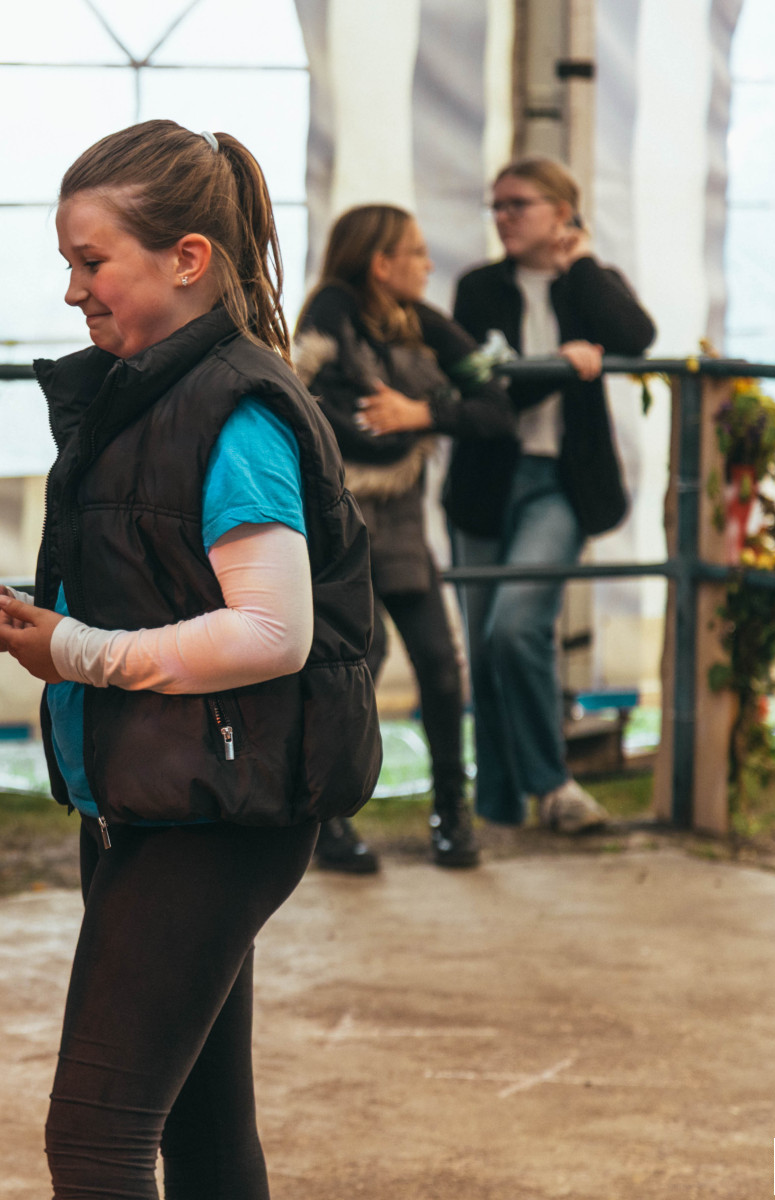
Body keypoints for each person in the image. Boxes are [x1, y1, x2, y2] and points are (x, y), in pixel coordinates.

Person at [0, 120, 379, 1199]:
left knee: (95, 1139)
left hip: (215, 814)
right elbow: (155, 592)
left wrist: (75, 649)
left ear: (188, 259)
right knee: (204, 1133)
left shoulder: (237, 411)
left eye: (92, 263)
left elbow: (272, 633)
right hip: (154, 797)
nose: (72, 292)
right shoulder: (139, 395)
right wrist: (35, 629)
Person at [293, 204, 516, 871]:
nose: (427, 263)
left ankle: (451, 811)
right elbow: (303, 400)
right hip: (338, 522)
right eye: (416, 252)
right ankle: (327, 818)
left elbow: (495, 406)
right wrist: (379, 424)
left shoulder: (425, 325)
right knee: (359, 659)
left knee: (442, 669)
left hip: (403, 524)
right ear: (381, 263)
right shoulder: (328, 314)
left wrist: (421, 412)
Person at [450, 158, 655, 832]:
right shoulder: (479, 288)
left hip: (561, 484)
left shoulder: (587, 285)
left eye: (518, 204)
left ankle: (553, 786)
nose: (503, 217)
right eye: (496, 205)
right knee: (485, 649)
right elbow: (485, 391)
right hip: (484, 484)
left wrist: (583, 261)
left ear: (562, 211)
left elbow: (636, 339)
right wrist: (561, 367)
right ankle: (498, 807)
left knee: (516, 627)